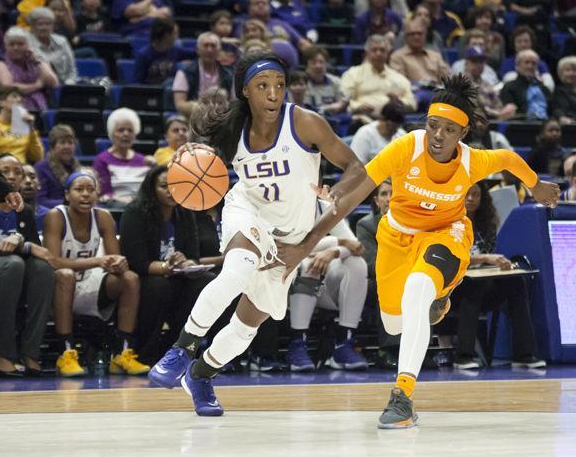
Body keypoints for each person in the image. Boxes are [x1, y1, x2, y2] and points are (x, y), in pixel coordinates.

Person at [276, 74, 560, 428]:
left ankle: (403, 395)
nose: (437, 135)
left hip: (446, 234)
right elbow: (357, 189)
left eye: (448, 129)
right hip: (397, 238)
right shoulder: (406, 148)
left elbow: (507, 159)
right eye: (432, 125)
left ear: (462, 133)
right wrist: (309, 239)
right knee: (394, 324)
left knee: (418, 291)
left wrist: (535, 185)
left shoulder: (472, 162)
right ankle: (433, 301)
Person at [147, 51, 366, 416]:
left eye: (280, 85)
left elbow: (357, 169)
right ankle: (181, 350)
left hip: (293, 236)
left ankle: (200, 375)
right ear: (245, 91)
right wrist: (188, 155)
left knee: (246, 327)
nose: (273, 94)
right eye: (263, 86)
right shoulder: (233, 129)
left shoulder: (305, 123)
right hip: (247, 212)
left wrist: (315, 231)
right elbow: (200, 161)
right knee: (236, 272)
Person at [43, 172, 150, 377]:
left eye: (90, 190)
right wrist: (98, 261)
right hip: (56, 290)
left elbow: (113, 258)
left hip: (88, 285)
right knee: (65, 274)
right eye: (79, 189)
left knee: (130, 279)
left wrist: (118, 263)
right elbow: (53, 261)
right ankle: (65, 353)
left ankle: (121, 354)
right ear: (67, 194)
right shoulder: (55, 216)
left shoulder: (103, 217)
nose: (85, 195)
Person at [119, 166, 215, 365]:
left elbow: (193, 255)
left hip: (177, 276)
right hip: (146, 278)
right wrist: (165, 267)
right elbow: (135, 262)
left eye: (176, 186)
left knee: (206, 283)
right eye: (164, 186)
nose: (172, 191)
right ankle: (146, 352)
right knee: (158, 286)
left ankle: (180, 350)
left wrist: (188, 263)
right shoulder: (135, 213)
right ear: (151, 188)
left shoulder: (185, 212)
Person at [447, 182, 545, 369]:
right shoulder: (449, 223)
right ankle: (463, 356)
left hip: (481, 282)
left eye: (475, 195)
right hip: (452, 287)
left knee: (516, 283)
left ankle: (523, 354)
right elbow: (453, 259)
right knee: (473, 287)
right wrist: (486, 258)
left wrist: (502, 264)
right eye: (466, 194)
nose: (471, 199)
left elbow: (489, 258)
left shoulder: (487, 223)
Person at [287, 197, 368, 372]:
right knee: (309, 264)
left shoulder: (325, 207)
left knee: (357, 263)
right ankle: (297, 343)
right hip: (283, 283)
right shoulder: (280, 203)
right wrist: (336, 243)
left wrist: (333, 251)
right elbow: (292, 247)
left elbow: (356, 246)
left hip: (321, 288)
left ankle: (343, 344)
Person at [0, 152, 53, 377]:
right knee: (12, 265)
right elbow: (26, 248)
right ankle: (3, 353)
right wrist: (23, 245)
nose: (11, 177)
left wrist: (21, 242)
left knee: (42, 269)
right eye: (5, 171)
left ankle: (31, 352)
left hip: (14, 275)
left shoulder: (25, 211)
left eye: (17, 172)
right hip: (7, 270)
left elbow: (35, 250)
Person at [355, 180, 399, 369]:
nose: (389, 198)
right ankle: (387, 351)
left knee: (422, 286)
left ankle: (419, 350)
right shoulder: (366, 225)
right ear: (376, 200)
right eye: (384, 194)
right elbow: (372, 265)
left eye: (393, 193)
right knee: (389, 286)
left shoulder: (413, 222)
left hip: (404, 277)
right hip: (374, 281)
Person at [340, 34, 416, 121]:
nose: (378, 53)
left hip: (393, 122)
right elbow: (343, 101)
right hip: (362, 120)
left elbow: (413, 104)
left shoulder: (399, 78)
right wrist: (357, 106)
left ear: (388, 53)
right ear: (367, 53)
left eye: (382, 50)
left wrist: (399, 102)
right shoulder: (353, 74)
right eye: (374, 50)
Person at [92, 108, 154, 207]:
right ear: (112, 134)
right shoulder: (101, 160)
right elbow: (104, 193)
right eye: (120, 130)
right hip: (115, 207)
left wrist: (155, 167)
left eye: (130, 130)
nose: (126, 134)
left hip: (141, 207)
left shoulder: (144, 160)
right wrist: (122, 200)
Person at [389, 18, 451, 107]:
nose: (416, 37)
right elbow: (401, 83)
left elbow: (447, 79)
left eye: (419, 33)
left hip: (437, 92)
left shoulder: (435, 56)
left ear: (425, 35)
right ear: (405, 37)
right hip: (414, 93)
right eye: (412, 34)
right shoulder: (397, 56)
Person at [172, 32, 233, 118]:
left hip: (221, 119)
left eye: (213, 46)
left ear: (219, 50)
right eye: (206, 45)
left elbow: (234, 103)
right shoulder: (184, 72)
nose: (209, 50)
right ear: (197, 49)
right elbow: (180, 104)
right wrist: (201, 109)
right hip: (192, 118)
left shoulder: (229, 75)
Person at [1, 26, 58, 113]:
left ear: (28, 45)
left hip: (41, 107)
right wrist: (37, 85)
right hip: (13, 110)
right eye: (11, 44)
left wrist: (37, 61)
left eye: (20, 44)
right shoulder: (1, 64)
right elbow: (9, 89)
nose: (15, 48)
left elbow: (53, 82)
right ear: (6, 47)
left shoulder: (37, 59)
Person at [134, 18, 196, 85]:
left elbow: (197, 53)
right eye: (175, 33)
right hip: (151, 92)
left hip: (170, 91)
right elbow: (138, 83)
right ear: (166, 35)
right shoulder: (143, 55)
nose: (177, 37)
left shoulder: (175, 50)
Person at [34, 123, 80, 208]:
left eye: (70, 142)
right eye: (62, 142)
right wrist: (69, 203)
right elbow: (40, 200)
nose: (67, 146)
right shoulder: (41, 168)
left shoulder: (78, 169)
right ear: (52, 146)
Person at [27, 6, 76, 85]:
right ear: (32, 26)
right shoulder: (26, 44)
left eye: (48, 24)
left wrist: (68, 85)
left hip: (63, 85)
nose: (44, 27)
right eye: (40, 24)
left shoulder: (62, 41)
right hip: (37, 86)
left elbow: (72, 70)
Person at [499, 26, 554, 92]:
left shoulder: (540, 63)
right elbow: (510, 83)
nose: (523, 45)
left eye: (526, 41)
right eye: (519, 41)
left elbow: (549, 86)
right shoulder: (508, 63)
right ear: (514, 44)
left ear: (531, 43)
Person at [0, 86, 44, 163]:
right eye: (14, 96)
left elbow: (38, 157)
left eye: (20, 98)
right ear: (1, 102)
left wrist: (31, 129)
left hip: (21, 169)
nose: (19, 100)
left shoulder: (24, 125)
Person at [500, 49, 550, 120]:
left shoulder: (544, 88)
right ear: (517, 66)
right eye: (527, 62)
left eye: (534, 63)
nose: (530, 66)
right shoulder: (509, 87)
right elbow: (509, 114)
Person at [302, 46, 348, 115]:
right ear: (307, 65)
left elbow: (342, 104)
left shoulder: (336, 81)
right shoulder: (302, 84)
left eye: (321, 62)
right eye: (314, 62)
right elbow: (306, 110)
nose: (318, 66)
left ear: (327, 64)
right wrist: (330, 108)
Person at [21, 163, 49, 231]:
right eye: (22, 177)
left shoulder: (49, 216)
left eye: (32, 177)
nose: (28, 181)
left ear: (39, 184)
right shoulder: (5, 215)